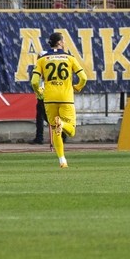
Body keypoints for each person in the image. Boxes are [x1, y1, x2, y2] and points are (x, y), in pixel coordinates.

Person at [30, 32, 88, 168]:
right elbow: (84, 78)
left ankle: (62, 160)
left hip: (49, 98)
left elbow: (34, 81)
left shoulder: (42, 59)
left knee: (55, 128)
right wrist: (78, 87)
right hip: (66, 97)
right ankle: (62, 123)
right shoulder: (70, 58)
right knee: (71, 130)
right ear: (60, 43)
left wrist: (39, 92)